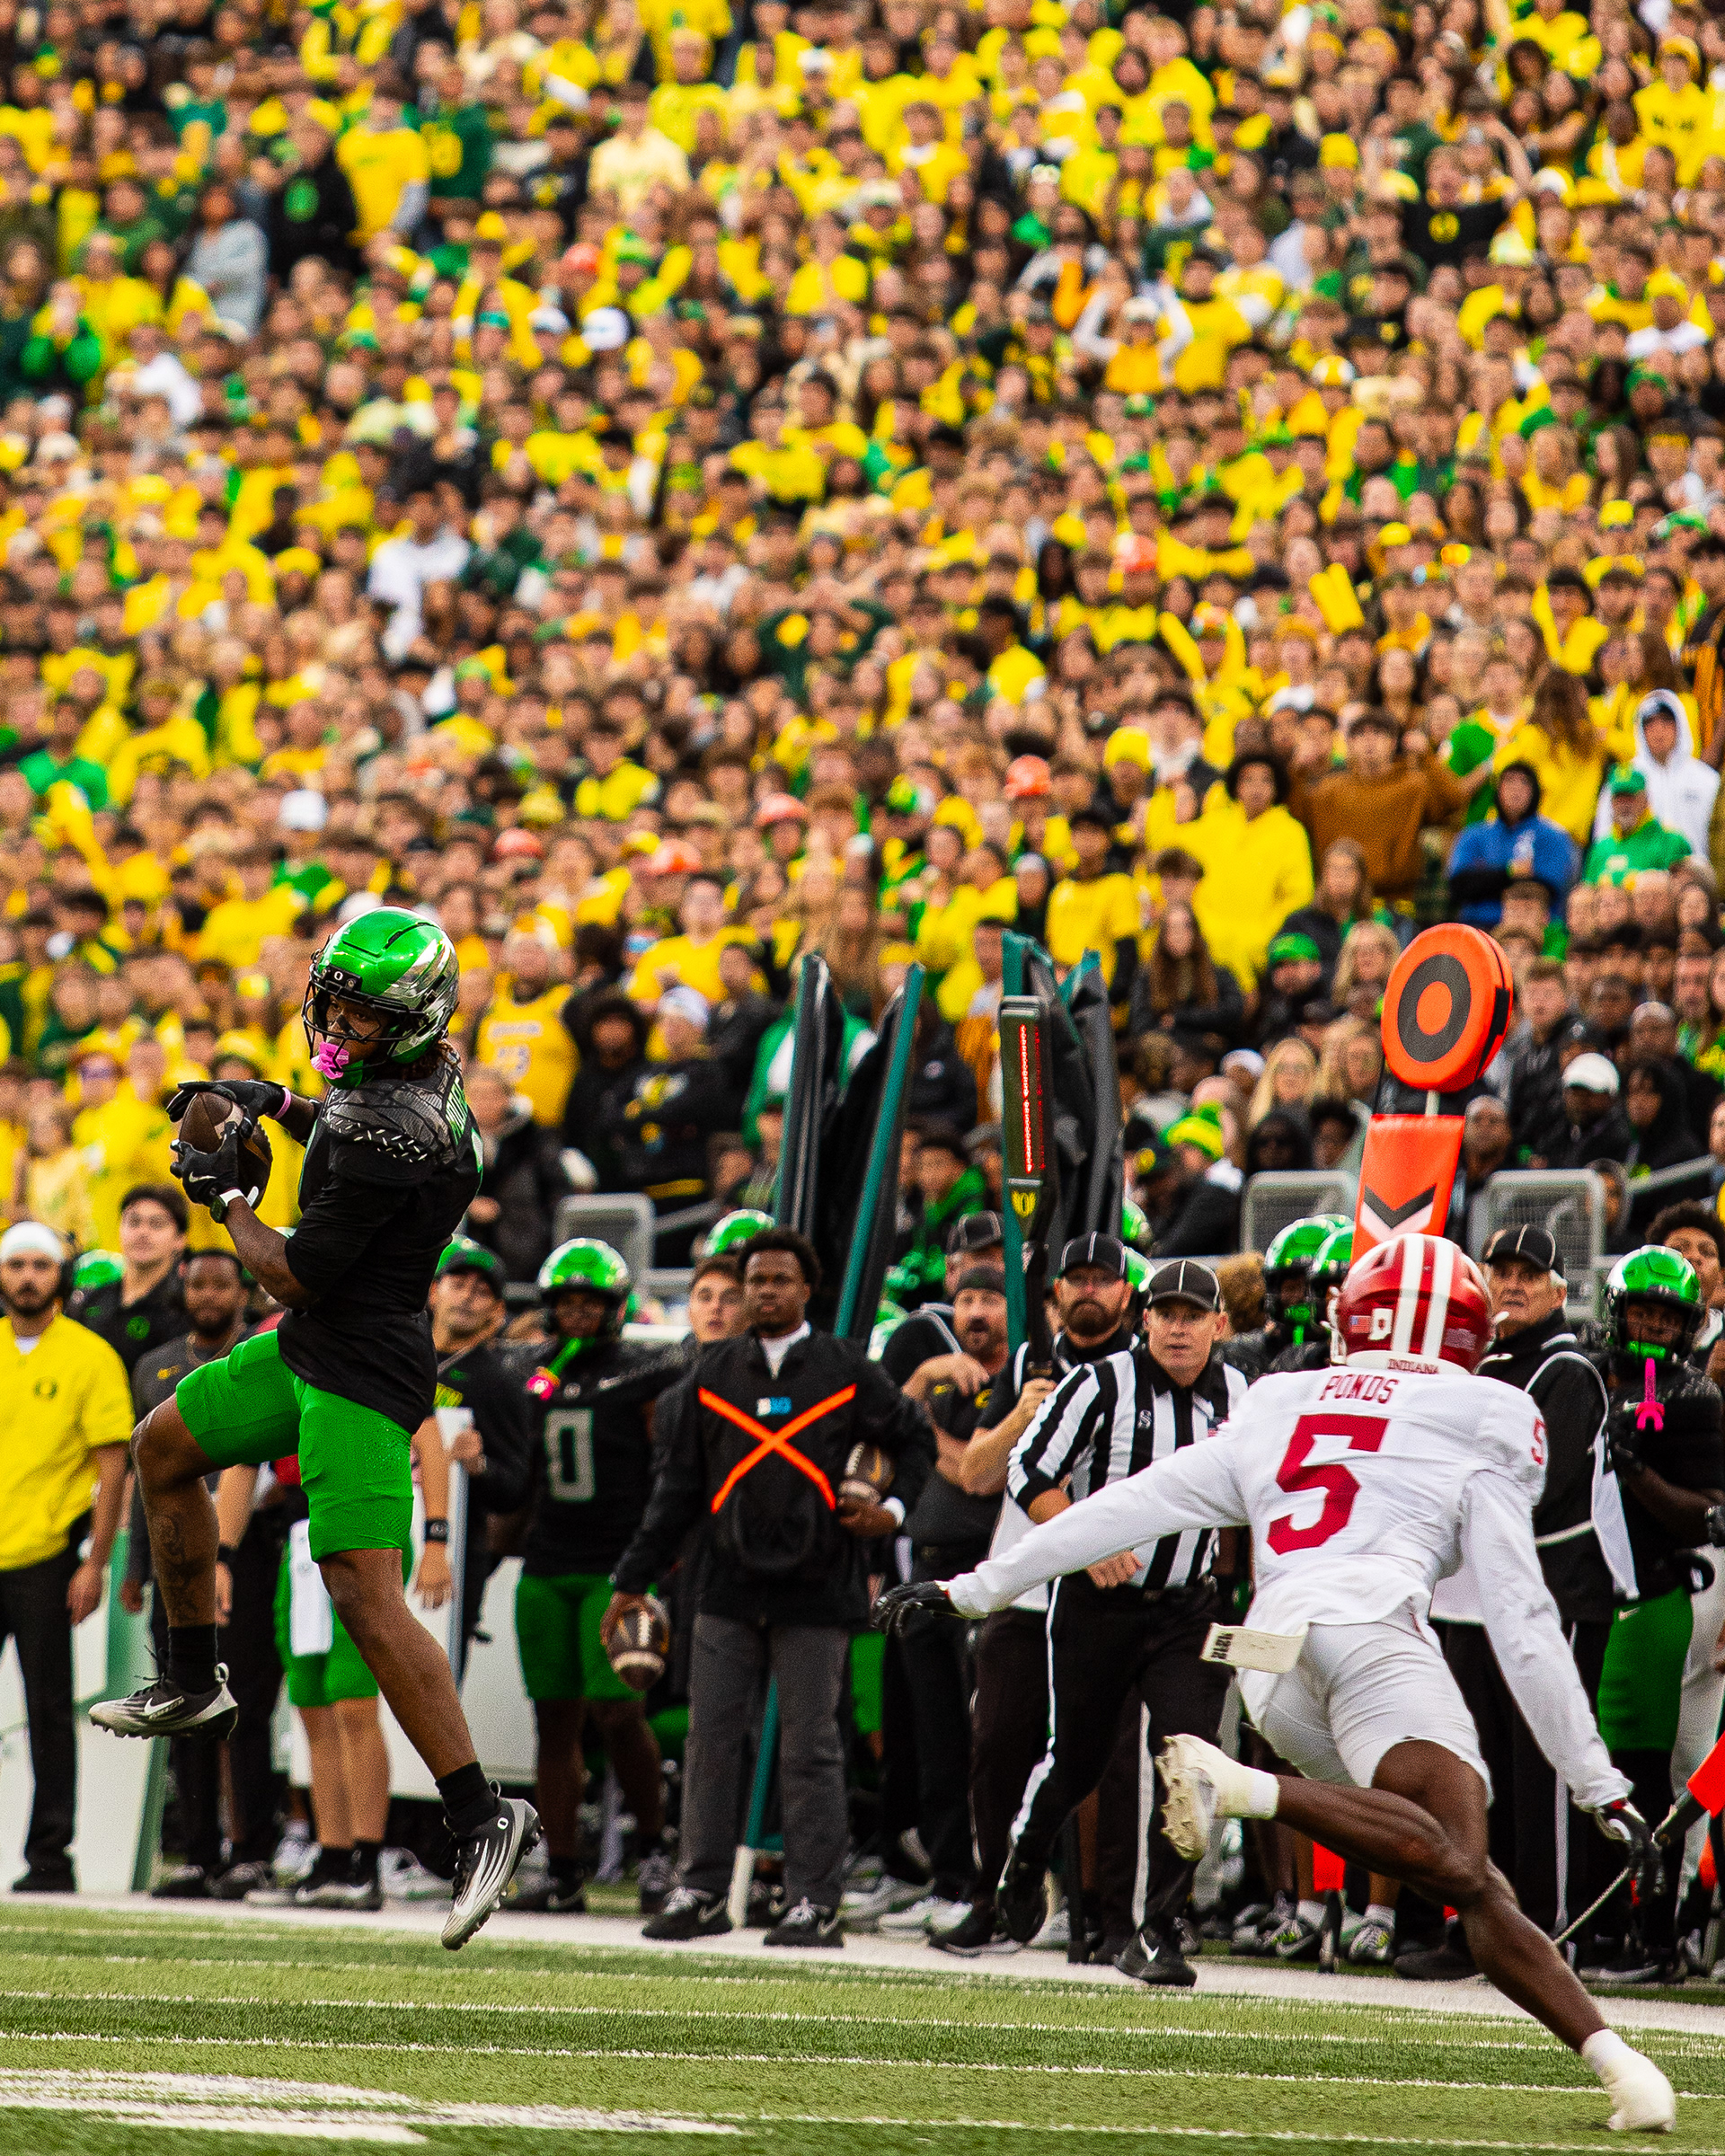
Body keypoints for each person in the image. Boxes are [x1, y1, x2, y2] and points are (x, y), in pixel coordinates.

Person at [885, 1235, 1675, 2135]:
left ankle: (1618, 2068)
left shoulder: (1279, 1399)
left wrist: (975, 1589)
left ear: (1355, 1318)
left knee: (1459, 1869)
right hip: (1372, 1633)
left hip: (1271, 1659)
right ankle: (1240, 1787)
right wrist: (1599, 1785)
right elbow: (1522, 1614)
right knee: (1458, 1856)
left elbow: (1130, 1504)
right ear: (1466, 1330)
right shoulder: (1488, 1410)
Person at [90, 909, 538, 1953]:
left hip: (360, 1371)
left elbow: (290, 1270)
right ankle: (194, 1678)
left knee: (364, 1598)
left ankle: (482, 1817)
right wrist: (278, 1103)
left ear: (413, 1021)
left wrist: (227, 1198)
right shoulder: (407, 1082)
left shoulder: (394, 1131)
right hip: (314, 1344)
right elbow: (342, 1124)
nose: (337, 1024)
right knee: (164, 1447)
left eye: (359, 1014)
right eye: (331, 1002)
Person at [606, 1227, 934, 1948]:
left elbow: (916, 1437)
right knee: (710, 1740)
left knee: (811, 1748)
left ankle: (815, 1901)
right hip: (725, 1583)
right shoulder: (713, 1373)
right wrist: (631, 1580)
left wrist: (892, 1511)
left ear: (806, 1288)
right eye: (756, 1280)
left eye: (781, 1280)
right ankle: (701, 1890)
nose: (766, 1292)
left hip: (820, 1584)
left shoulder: (847, 1367)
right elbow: (676, 1491)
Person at [988, 1250, 1247, 1984]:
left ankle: (1159, 1928)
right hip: (1098, 1605)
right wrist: (1086, 1542)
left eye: (1193, 1316)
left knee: (1191, 1763)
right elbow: (1028, 1470)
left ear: (1219, 1325)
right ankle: (1027, 1855)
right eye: (1166, 1314)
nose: (1178, 1329)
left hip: (1188, 1607)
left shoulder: (1241, 1395)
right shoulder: (1100, 1383)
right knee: (1078, 1759)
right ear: (1144, 1319)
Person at [1420, 1226, 1618, 1974]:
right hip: (1472, 1595)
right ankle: (1483, 1928)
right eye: (1500, 1270)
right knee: (1478, 1769)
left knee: (1545, 1768)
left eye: (1528, 1274)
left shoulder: (1568, 1370)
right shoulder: (1477, 1366)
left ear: (1559, 1290)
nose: (1511, 1284)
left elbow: (1539, 1486)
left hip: (1550, 1592)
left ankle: (1546, 1930)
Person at [503, 1237, 685, 1915]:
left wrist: (656, 1557)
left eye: (591, 1301)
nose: (578, 1312)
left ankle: (656, 1849)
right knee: (553, 1722)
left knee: (618, 1712)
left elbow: (667, 1470)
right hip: (547, 1562)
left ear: (616, 1306)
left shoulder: (643, 1372)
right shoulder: (534, 1373)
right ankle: (563, 1871)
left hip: (617, 1566)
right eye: (567, 1301)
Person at [1588, 1246, 1725, 1984]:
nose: (1649, 1328)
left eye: (1664, 1318)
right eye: (1639, 1313)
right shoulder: (1588, 1373)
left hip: (1654, 1595)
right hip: (1589, 1598)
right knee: (1604, 1770)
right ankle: (1607, 1927)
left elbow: (1707, 1514)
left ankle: (1655, 1937)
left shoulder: (1692, 1395)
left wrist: (1636, 1470)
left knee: (1645, 1776)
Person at [880, 1265, 1013, 1936]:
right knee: (933, 1738)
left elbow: (974, 1475)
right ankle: (947, 1877)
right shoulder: (939, 1378)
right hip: (927, 1571)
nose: (976, 1312)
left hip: (984, 1574)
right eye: (966, 1300)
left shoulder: (1020, 1383)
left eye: (990, 1299)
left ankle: (993, 1882)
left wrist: (923, 1428)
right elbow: (880, 1427)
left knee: (983, 1737)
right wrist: (921, 1380)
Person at [0, 1220, 131, 1891]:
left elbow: (113, 1467)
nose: (27, 1277)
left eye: (40, 1265)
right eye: (16, 1264)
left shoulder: (90, 1355)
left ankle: (50, 1856)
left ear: (62, 1276)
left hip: (46, 1556)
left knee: (49, 1710)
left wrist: (95, 1562)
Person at [124, 1247, 253, 1898]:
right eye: (198, 1284)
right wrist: (134, 1566)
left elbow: (257, 1465)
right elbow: (141, 1473)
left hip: (244, 1553)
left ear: (243, 1292)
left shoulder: (260, 1358)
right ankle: (199, 1853)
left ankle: (251, 1848)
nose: (208, 1295)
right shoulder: (154, 1365)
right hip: (172, 1559)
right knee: (182, 1699)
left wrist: (227, 1552)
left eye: (220, 1285)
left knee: (245, 1702)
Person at [423, 1237, 532, 1677]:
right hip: (383, 1538)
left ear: (497, 1311)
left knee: (436, 1680)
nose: (468, 1296)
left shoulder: (498, 1383)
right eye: (459, 1283)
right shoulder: (400, 1359)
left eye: (482, 1291)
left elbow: (516, 1488)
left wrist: (480, 1465)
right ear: (434, 1291)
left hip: (455, 1554)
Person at [67, 1182, 188, 1374]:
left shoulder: (185, 1306)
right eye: (133, 1222)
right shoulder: (91, 1301)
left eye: (156, 1224)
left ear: (180, 1239)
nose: (143, 1233)